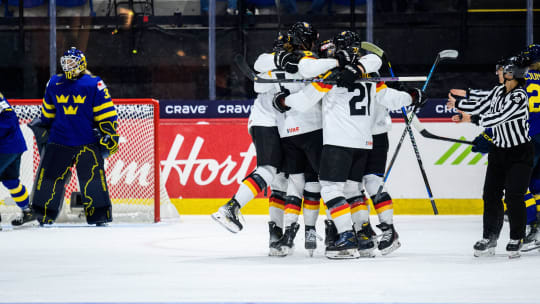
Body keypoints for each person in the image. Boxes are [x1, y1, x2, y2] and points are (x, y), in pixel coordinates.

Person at [447, 55, 532, 258]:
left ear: (513, 74)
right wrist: (460, 105)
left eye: (502, 70)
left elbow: (500, 117)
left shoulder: (519, 96)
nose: (498, 73)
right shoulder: (497, 91)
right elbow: (482, 106)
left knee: (514, 196)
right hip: (498, 152)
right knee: (491, 195)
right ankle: (489, 237)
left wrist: (471, 119)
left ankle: (516, 238)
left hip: (519, 153)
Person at [31, 47, 119, 226]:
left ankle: (99, 216)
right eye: (65, 62)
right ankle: (42, 214)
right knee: (49, 179)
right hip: (60, 140)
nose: (68, 66)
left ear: (81, 64)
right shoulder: (54, 83)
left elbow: (106, 113)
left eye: (72, 62)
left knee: (92, 180)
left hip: (85, 141)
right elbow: (47, 112)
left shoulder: (94, 84)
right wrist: (43, 125)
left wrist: (109, 133)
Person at [0, 92, 35, 228]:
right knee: (11, 181)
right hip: (14, 145)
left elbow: (9, 119)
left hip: (7, 147)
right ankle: (27, 211)